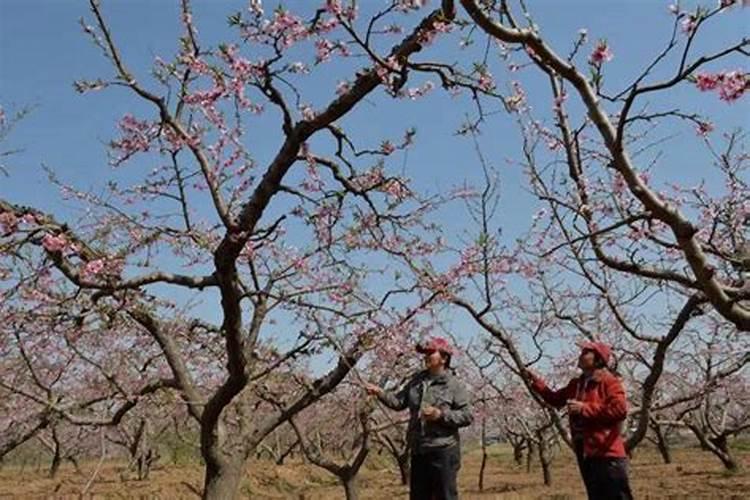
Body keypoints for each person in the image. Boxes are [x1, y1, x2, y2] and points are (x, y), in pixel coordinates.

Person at [364, 337, 473, 500]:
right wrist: (380, 392)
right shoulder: (416, 381)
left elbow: (467, 415)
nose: (426, 356)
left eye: (430, 353)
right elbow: (398, 402)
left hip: (443, 450)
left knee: (446, 496)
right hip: (419, 449)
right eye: (425, 353)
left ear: (444, 358)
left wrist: (440, 415)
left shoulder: (454, 385)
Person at [524, 341, 633, 500]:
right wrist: (536, 382)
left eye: (585, 353)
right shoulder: (576, 384)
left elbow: (619, 410)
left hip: (608, 453)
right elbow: (555, 399)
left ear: (598, 359)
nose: (580, 355)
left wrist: (585, 408)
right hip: (586, 452)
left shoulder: (609, 382)